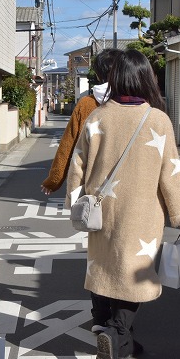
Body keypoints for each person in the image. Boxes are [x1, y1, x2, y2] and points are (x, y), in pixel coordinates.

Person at [66, 49, 180, 359]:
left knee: (109, 271)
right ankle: (118, 334)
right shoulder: (158, 120)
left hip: (101, 214)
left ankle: (117, 335)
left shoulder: (98, 117)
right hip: (142, 216)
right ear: (146, 78)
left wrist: (73, 204)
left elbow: (77, 167)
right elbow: (171, 175)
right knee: (133, 276)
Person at [42, 48, 122, 334]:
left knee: (98, 256)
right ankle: (120, 319)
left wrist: (55, 180)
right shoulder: (137, 104)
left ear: (96, 73)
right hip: (129, 195)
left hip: (95, 195)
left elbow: (69, 145)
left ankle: (100, 318)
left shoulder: (87, 104)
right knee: (125, 254)